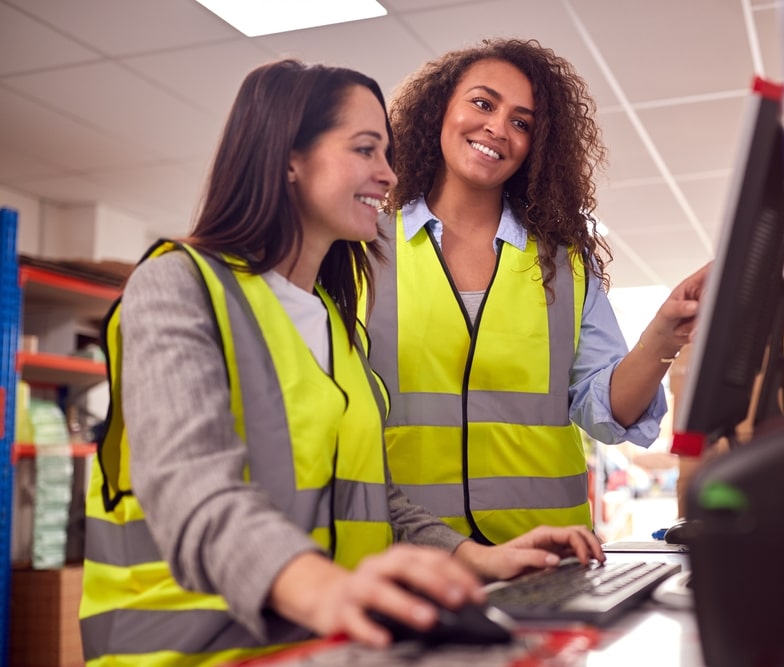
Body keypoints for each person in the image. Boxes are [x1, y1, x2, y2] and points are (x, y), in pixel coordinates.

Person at [79, 58, 603, 667]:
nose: (388, 172)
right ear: (289, 159)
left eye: (385, 151)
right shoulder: (178, 287)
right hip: (187, 654)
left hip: (320, 649)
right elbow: (193, 493)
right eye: (365, 149)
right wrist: (331, 591)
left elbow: (375, 500)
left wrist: (480, 558)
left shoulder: (335, 323)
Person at [367, 38, 710, 546]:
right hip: (408, 559)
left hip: (549, 554)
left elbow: (606, 412)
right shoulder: (363, 249)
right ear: (441, 110)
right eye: (483, 103)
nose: (497, 128)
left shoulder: (564, 263)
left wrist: (662, 338)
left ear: (537, 145)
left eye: (522, 122)